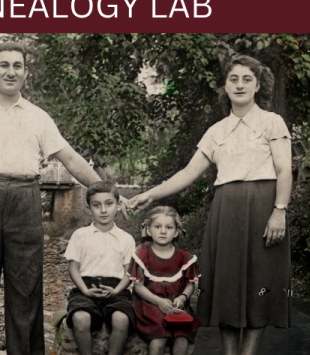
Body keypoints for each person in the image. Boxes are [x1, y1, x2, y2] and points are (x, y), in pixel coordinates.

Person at [0, 42, 108, 355]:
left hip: (25, 200)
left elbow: (71, 160)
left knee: (26, 290)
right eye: (3, 65)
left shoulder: (38, 118)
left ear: (25, 73)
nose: (10, 71)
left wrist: (103, 188)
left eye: (17, 66)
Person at [128, 55, 292, 355]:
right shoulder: (216, 131)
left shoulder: (272, 122)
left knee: (261, 284)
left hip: (264, 209)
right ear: (225, 86)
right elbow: (187, 174)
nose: (240, 85)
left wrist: (279, 211)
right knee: (227, 286)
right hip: (226, 211)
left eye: (247, 79)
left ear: (257, 86)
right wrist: (150, 195)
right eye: (233, 79)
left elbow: (284, 171)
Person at [64, 181, 136, 355]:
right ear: (89, 208)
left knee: (121, 319)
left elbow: (130, 272)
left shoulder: (126, 239)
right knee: (80, 318)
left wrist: (117, 290)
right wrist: (85, 290)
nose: (103, 210)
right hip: (85, 288)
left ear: (118, 206)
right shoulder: (80, 235)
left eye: (109, 204)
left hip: (116, 289)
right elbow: (73, 268)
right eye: (97, 205)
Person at [129, 206, 200, 355]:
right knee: (159, 336)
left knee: (182, 336)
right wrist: (159, 301)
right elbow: (138, 286)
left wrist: (183, 297)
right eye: (157, 226)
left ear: (176, 232)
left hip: (176, 303)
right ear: (149, 230)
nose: (163, 231)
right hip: (150, 303)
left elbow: (190, 284)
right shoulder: (142, 254)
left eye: (168, 227)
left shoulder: (184, 257)